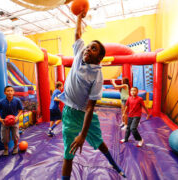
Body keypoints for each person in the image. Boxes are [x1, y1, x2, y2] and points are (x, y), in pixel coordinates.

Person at [58, 12, 126, 180]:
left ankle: (113, 163)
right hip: (69, 113)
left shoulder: (97, 75)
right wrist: (80, 18)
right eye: (88, 46)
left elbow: (90, 107)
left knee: (99, 142)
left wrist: (83, 134)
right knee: (68, 153)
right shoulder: (80, 53)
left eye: (93, 49)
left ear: (100, 57)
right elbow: (77, 34)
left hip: (85, 114)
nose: (88, 49)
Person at [0, 86, 23, 156]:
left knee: (15, 136)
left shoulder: (17, 100)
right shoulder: (1, 101)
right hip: (5, 122)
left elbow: (21, 110)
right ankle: (6, 149)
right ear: (5, 93)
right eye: (8, 91)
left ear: (13, 92)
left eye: (11, 91)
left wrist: (17, 117)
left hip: (15, 122)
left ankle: (15, 147)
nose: (10, 92)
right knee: (5, 138)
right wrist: (0, 118)